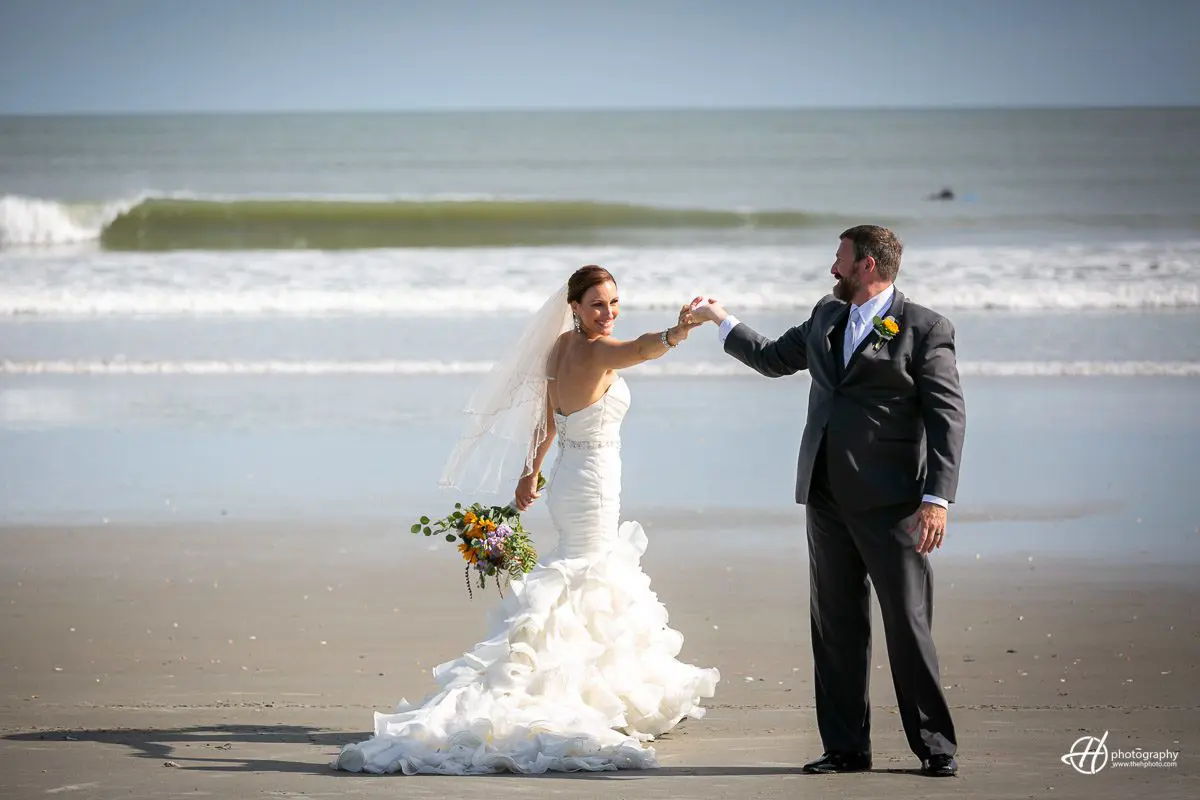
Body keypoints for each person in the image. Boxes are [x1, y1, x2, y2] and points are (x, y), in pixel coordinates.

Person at [334, 265, 720, 775]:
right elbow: (644, 349)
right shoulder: (599, 350)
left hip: (565, 478)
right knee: (590, 575)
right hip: (592, 485)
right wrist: (683, 329)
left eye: (615, 303)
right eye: (598, 304)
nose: (609, 314)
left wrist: (529, 475)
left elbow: (547, 420)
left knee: (581, 575)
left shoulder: (559, 349)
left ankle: (587, 681)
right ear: (576, 307)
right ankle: (570, 688)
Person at [690, 225, 965, 778]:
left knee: (907, 624)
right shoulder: (825, 316)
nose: (831, 269)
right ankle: (845, 748)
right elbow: (771, 358)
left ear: (867, 265)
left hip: (895, 505)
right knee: (835, 625)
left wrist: (937, 498)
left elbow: (947, 416)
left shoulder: (925, 328)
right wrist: (721, 320)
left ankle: (935, 747)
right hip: (825, 495)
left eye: (839, 259)